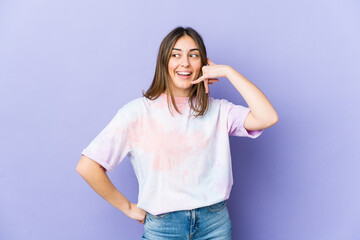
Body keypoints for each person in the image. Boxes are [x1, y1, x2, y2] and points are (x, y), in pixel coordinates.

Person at [76, 26, 278, 239]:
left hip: (214, 225)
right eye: (175, 55)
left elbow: (268, 117)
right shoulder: (137, 112)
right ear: (164, 62)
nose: (185, 63)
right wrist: (128, 207)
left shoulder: (219, 110)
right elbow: (88, 166)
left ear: (203, 64)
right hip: (163, 228)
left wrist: (229, 72)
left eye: (193, 55)